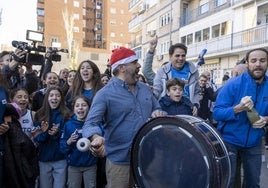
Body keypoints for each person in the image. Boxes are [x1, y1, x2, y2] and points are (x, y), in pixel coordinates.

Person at [82, 47, 165, 188]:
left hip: (148, 158)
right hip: (120, 162)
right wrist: (96, 138)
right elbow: (89, 124)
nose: (139, 65)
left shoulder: (145, 88)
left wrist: (158, 112)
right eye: (135, 62)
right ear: (122, 68)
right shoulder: (104, 94)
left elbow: (156, 107)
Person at [213, 48, 268, 188]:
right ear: (247, 63)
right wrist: (238, 108)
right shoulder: (233, 84)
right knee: (228, 181)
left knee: (253, 183)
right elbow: (217, 113)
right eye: (253, 61)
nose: (258, 64)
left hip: (255, 142)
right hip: (229, 141)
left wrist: (266, 119)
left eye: (262, 60)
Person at [142, 37, 200, 114]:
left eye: (183, 55)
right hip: (167, 111)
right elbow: (156, 92)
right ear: (170, 56)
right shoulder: (162, 71)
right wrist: (151, 51)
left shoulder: (193, 71)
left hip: (187, 111)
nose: (180, 58)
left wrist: (195, 104)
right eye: (177, 55)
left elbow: (196, 92)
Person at [32, 86, 70, 188]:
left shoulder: (66, 114)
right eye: (51, 95)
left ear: (61, 98)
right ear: (47, 98)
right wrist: (45, 133)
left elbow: (68, 138)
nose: (54, 98)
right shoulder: (40, 114)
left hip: (61, 159)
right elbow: (38, 138)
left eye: (57, 95)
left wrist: (57, 133)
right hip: (44, 159)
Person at [60, 96, 98, 188]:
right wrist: (69, 141)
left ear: (89, 108)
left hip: (90, 165)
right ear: (73, 109)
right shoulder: (68, 125)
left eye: (84, 105)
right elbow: (62, 147)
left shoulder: (94, 124)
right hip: (74, 165)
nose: (80, 108)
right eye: (77, 106)